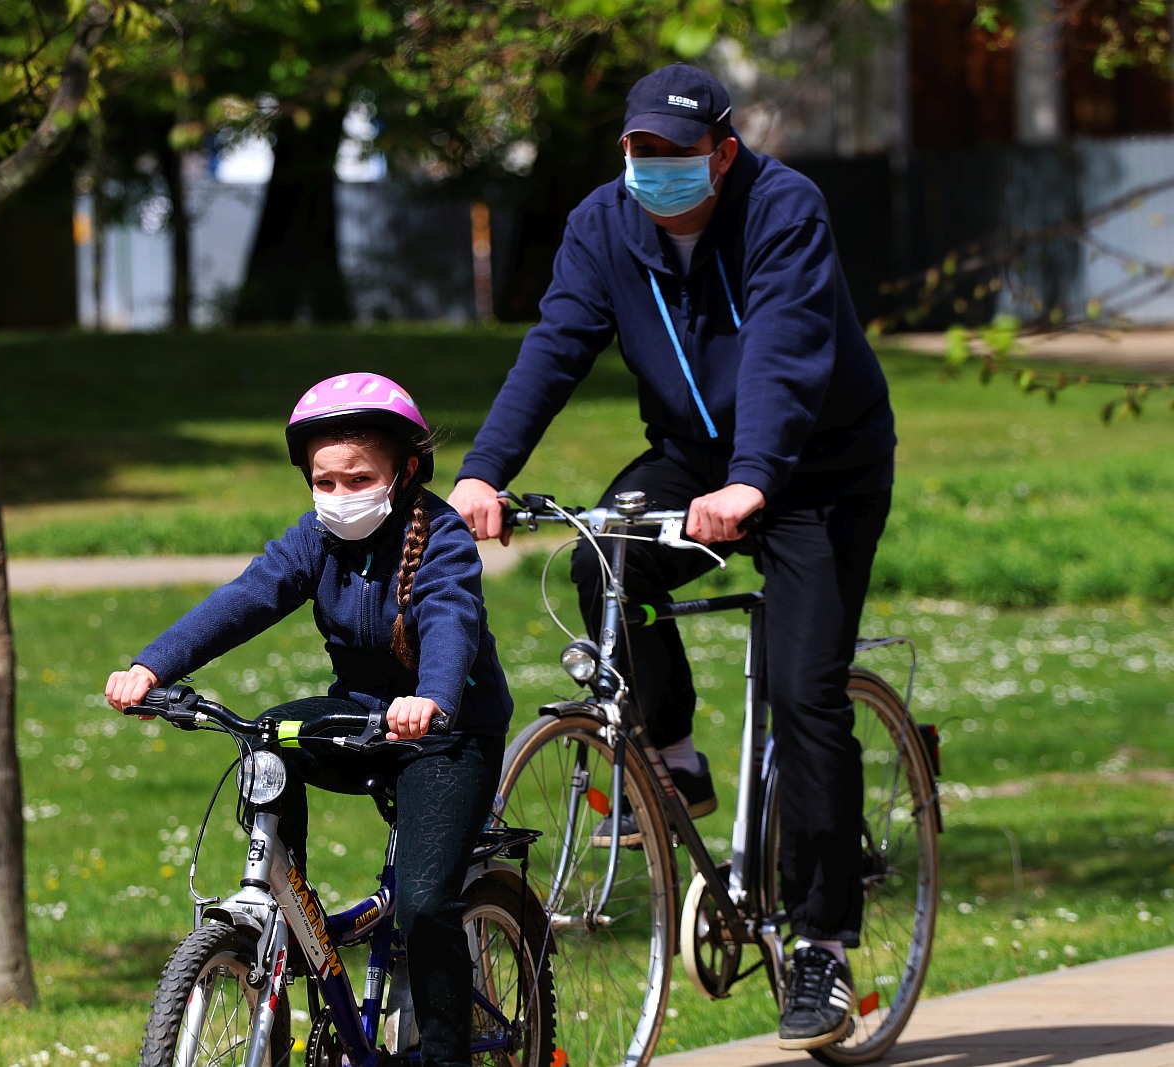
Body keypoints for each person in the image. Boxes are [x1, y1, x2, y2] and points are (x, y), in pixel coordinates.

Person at [447, 63, 895, 1051]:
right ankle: (677, 755)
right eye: (638, 149)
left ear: (722, 154)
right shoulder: (603, 224)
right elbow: (555, 346)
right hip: (695, 458)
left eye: (675, 152)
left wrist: (754, 479)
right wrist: (483, 471)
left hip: (820, 467)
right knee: (605, 558)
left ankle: (821, 941)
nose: (653, 166)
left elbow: (783, 346)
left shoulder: (782, 209)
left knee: (805, 697)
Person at [105, 372, 513, 1067]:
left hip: (447, 732)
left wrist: (434, 696)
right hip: (362, 716)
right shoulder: (316, 538)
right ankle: (286, 919)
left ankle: (448, 1056)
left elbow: (451, 618)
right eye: (324, 481)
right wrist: (154, 665)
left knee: (423, 902)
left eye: (359, 479)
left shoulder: (442, 537)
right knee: (268, 739)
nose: (339, 495)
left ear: (407, 471)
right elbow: (248, 597)